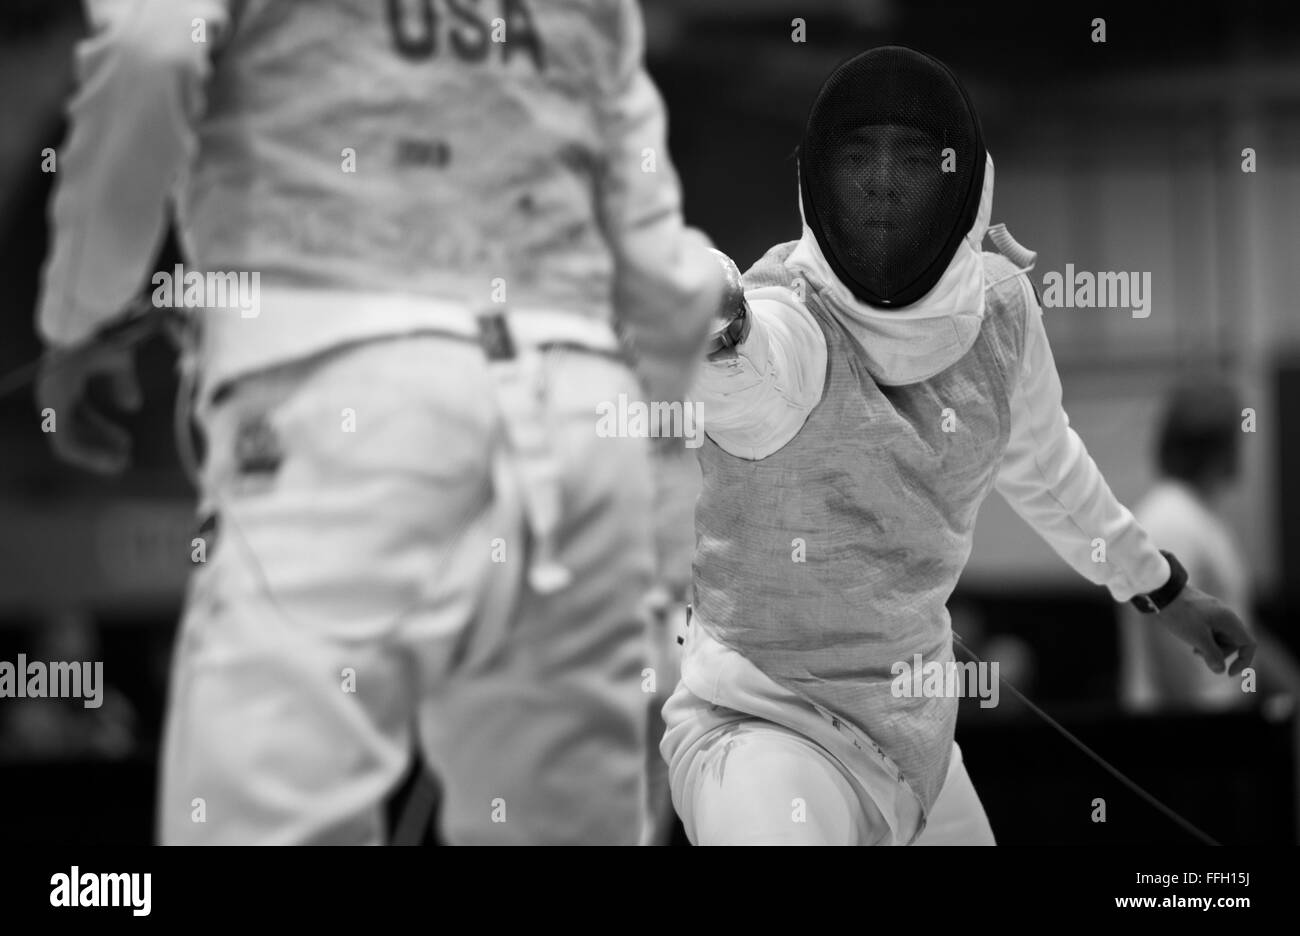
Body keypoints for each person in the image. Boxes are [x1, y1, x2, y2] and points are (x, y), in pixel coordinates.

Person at [35, 0, 722, 844]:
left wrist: (81, 311)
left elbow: (153, 47)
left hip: (347, 413)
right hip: (578, 413)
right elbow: (659, 269)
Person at [660, 46, 1255, 846]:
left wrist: (1166, 590)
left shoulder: (1001, 313)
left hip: (915, 747)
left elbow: (1049, 469)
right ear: (815, 179)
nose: (880, 182)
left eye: (913, 158)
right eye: (856, 157)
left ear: (963, 181)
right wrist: (715, 316)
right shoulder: (788, 316)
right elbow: (756, 382)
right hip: (763, 725)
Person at [1120, 380, 1300, 712]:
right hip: (1191, 741)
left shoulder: (1199, 515)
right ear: (1218, 446)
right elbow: (1168, 634)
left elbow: (1232, 619)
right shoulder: (1170, 519)